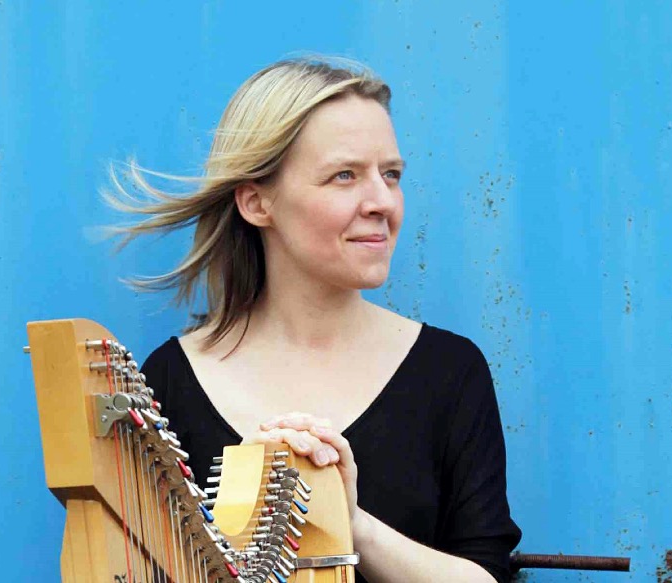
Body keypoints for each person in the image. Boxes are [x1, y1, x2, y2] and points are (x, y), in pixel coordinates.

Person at [108, 55, 521, 582]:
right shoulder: (169, 381)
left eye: (391, 175)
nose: (382, 202)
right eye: (344, 176)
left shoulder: (449, 371)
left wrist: (349, 522)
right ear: (257, 203)